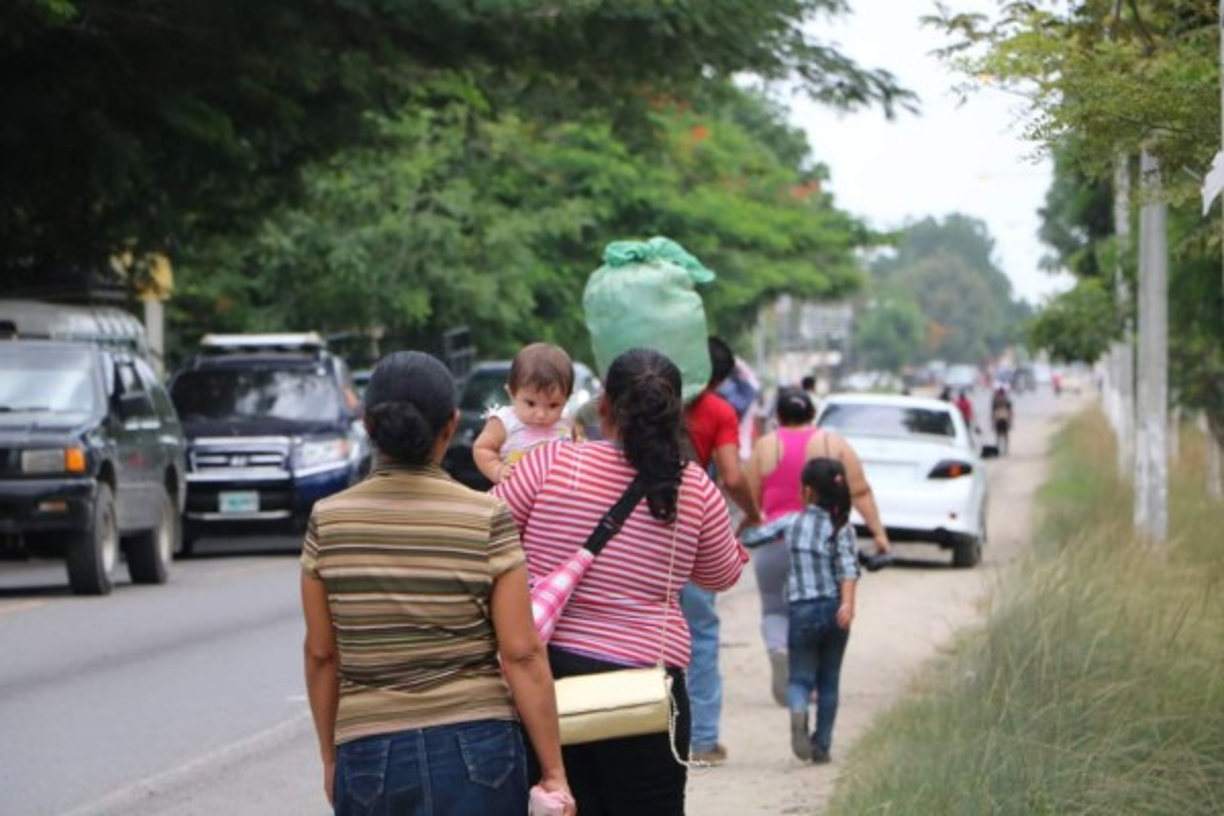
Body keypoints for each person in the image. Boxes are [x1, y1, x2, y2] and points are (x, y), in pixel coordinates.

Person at [300, 351, 573, 816]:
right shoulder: (486, 515)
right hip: (480, 748)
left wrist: (332, 757)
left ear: (368, 424)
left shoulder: (328, 520)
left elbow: (322, 655)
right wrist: (553, 772)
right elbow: (522, 653)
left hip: (369, 752)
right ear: (450, 425)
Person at [493, 348, 748, 814]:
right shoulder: (693, 488)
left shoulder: (549, 465)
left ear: (603, 405)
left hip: (545, 681)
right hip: (646, 689)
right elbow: (722, 574)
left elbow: (485, 536)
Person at [745, 388, 890, 707]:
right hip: (821, 545)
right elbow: (860, 491)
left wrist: (744, 533)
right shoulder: (833, 443)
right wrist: (879, 534)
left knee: (774, 609)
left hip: (776, 542)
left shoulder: (764, 447)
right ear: (812, 414)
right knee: (816, 612)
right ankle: (807, 684)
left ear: (778, 417)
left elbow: (750, 497)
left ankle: (777, 649)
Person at [742, 457, 860, 765]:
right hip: (836, 611)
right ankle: (821, 746)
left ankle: (797, 709)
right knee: (830, 680)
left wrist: (750, 519)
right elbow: (849, 569)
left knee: (800, 678)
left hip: (802, 611)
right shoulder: (842, 527)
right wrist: (847, 604)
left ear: (806, 491)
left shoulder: (791, 522)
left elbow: (752, 538)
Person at [681, 336, 762, 765]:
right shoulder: (717, 411)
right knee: (701, 632)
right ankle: (703, 740)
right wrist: (752, 511)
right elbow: (731, 475)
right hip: (692, 530)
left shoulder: (647, 401)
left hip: (635, 530)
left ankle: (644, 733)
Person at [474, 342, 576, 485]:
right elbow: (482, 448)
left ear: (566, 399)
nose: (541, 414)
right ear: (512, 394)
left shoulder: (566, 420)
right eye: (530, 403)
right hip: (515, 496)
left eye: (553, 405)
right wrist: (497, 470)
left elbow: (577, 447)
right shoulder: (505, 422)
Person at [991, 385, 1014, 456]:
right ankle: (1005, 449)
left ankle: (1000, 449)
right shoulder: (1006, 399)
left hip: (998, 419)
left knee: (998, 435)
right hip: (1004, 419)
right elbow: (1010, 411)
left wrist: (992, 421)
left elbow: (993, 411)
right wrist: (1010, 421)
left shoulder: (995, 400)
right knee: (1005, 435)